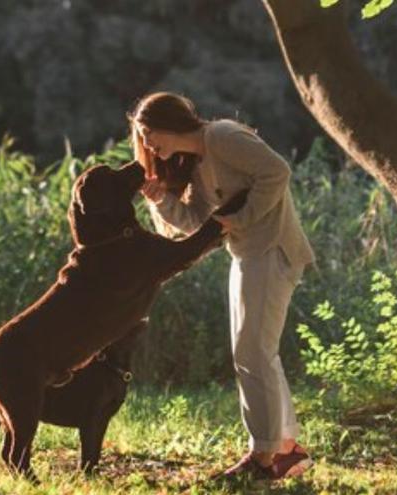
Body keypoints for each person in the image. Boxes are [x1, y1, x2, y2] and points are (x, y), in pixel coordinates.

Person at [131, 91, 316, 480]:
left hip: (272, 249)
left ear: (169, 123)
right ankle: (284, 449)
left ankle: (262, 459)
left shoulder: (222, 135)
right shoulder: (197, 162)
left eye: (148, 133)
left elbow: (277, 172)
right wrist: (161, 200)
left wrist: (242, 217)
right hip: (249, 255)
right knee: (257, 353)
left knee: (252, 353)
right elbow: (195, 222)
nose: (146, 144)